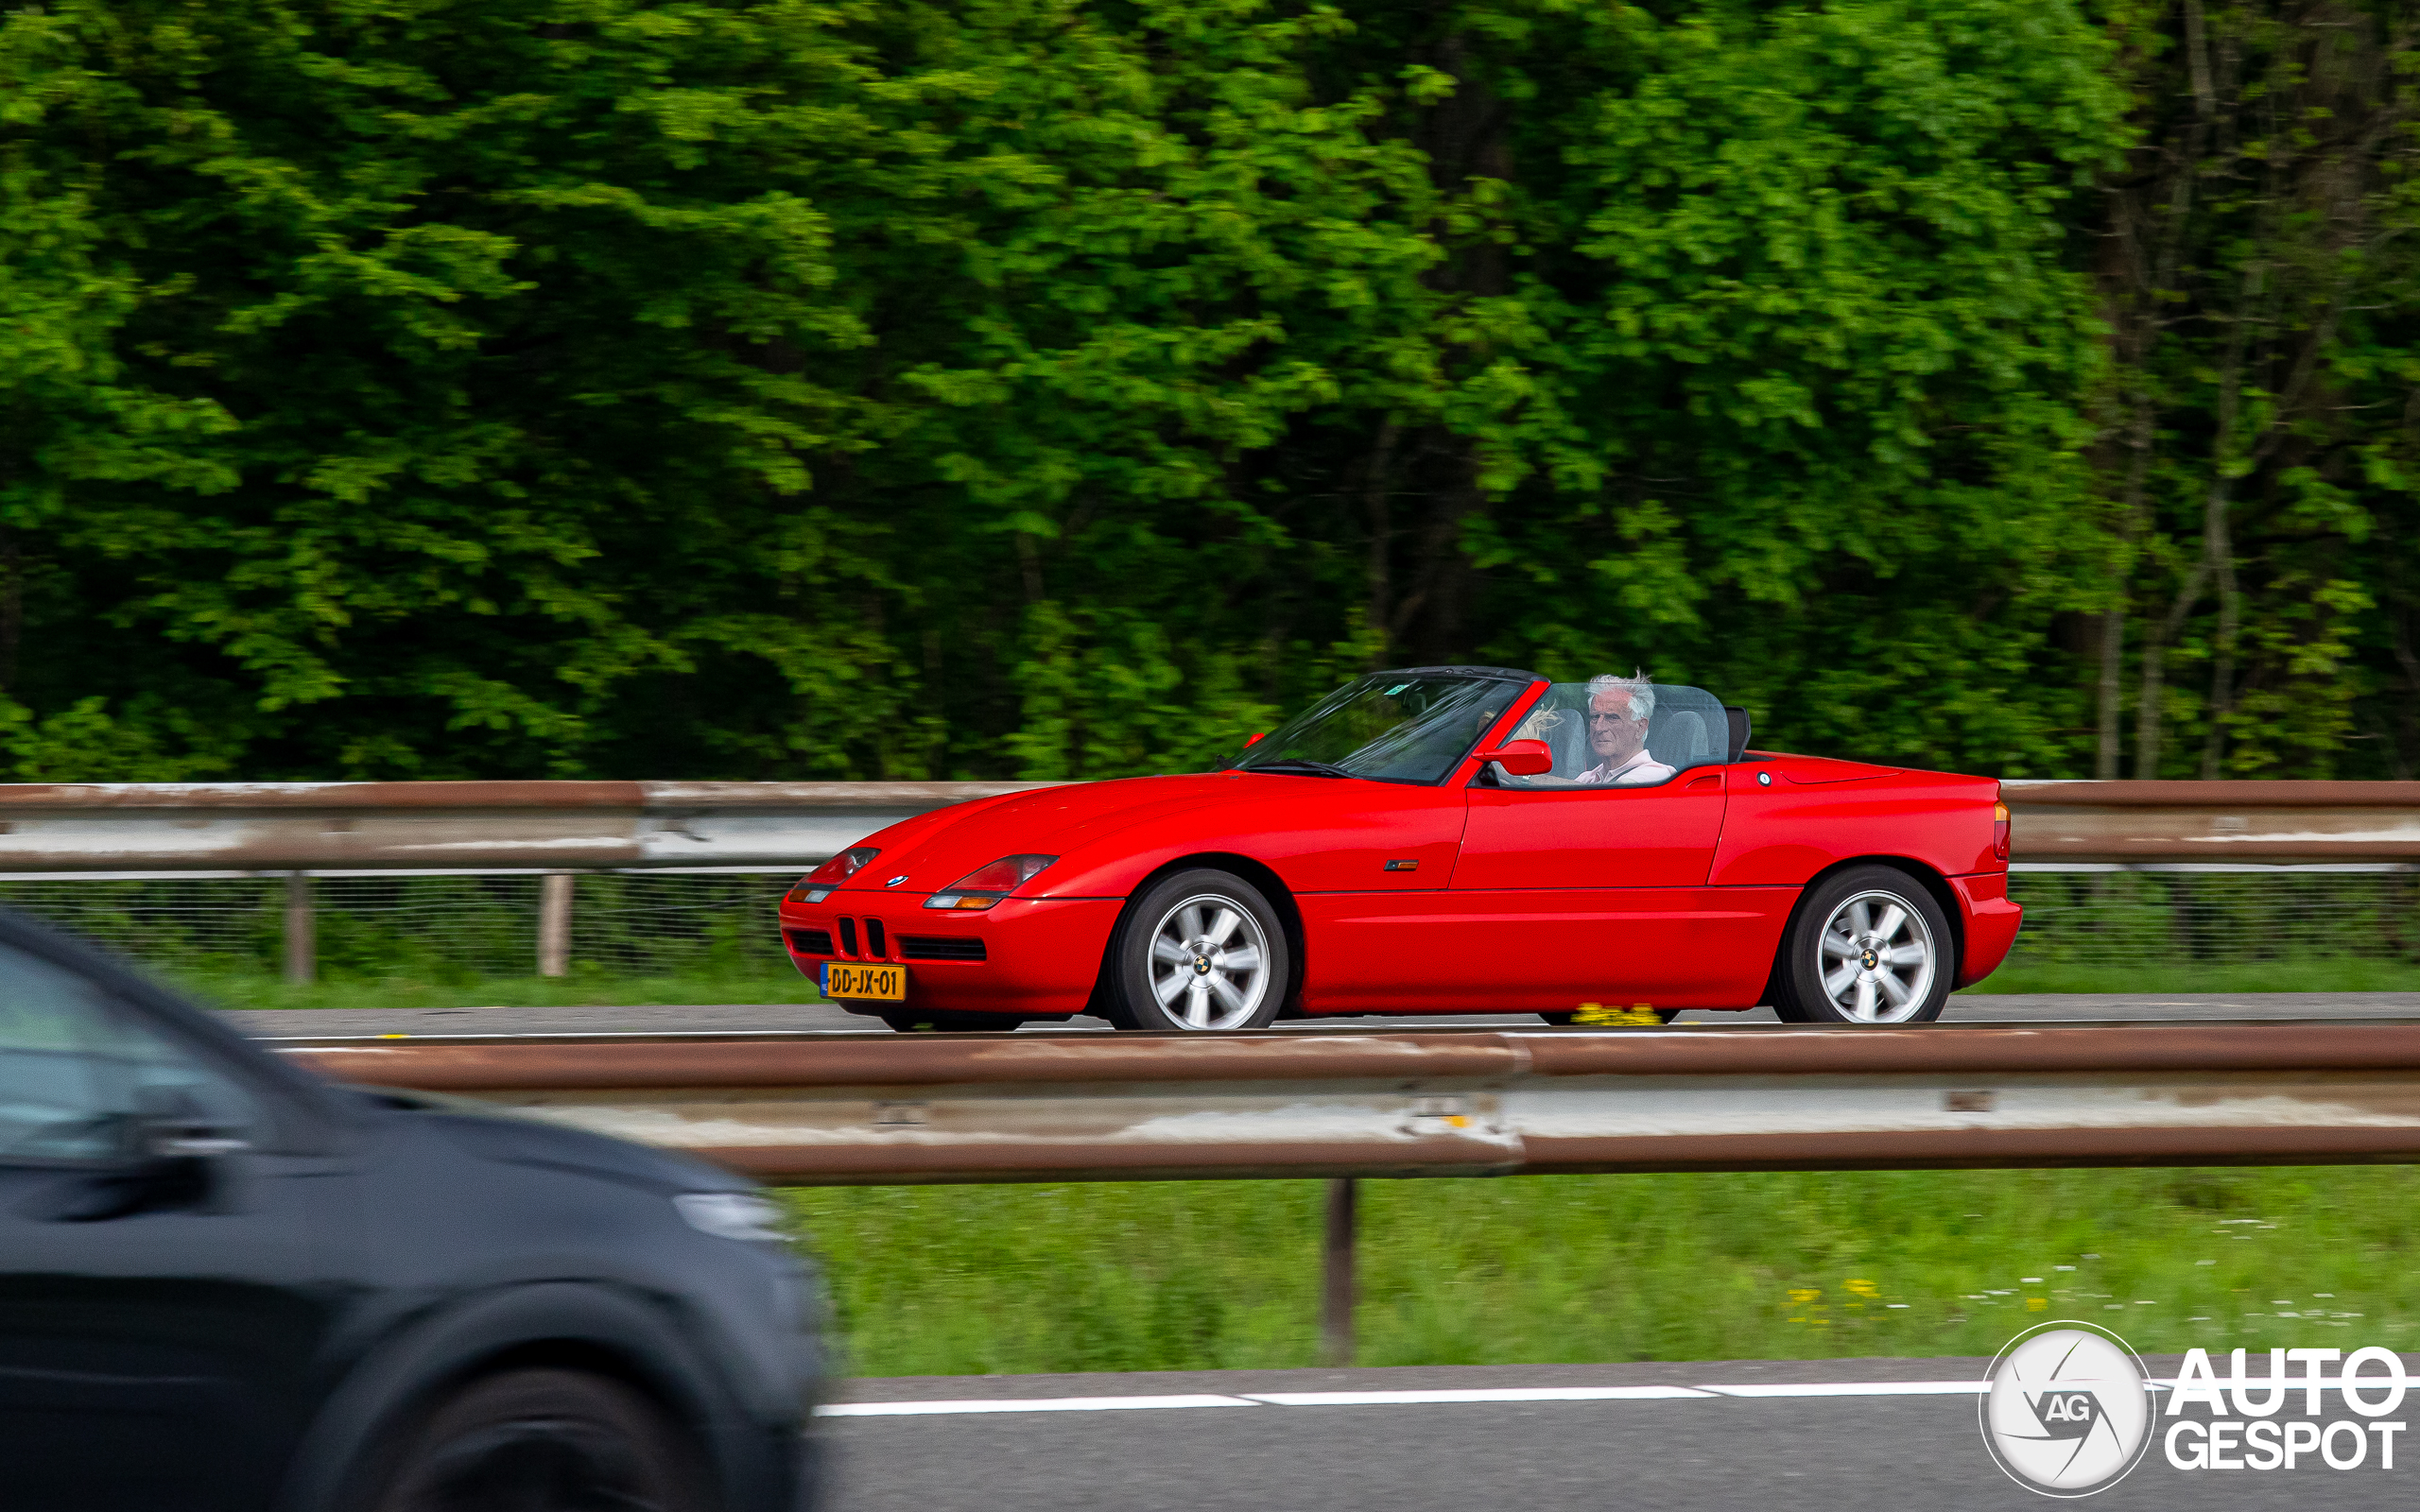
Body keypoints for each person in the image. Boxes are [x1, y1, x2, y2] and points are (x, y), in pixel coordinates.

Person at [1571, 673, 1677, 786]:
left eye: (1612, 717)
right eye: (1595, 717)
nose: (1598, 727)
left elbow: (1613, 797)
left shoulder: (1656, 775)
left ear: (1640, 727)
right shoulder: (1587, 778)